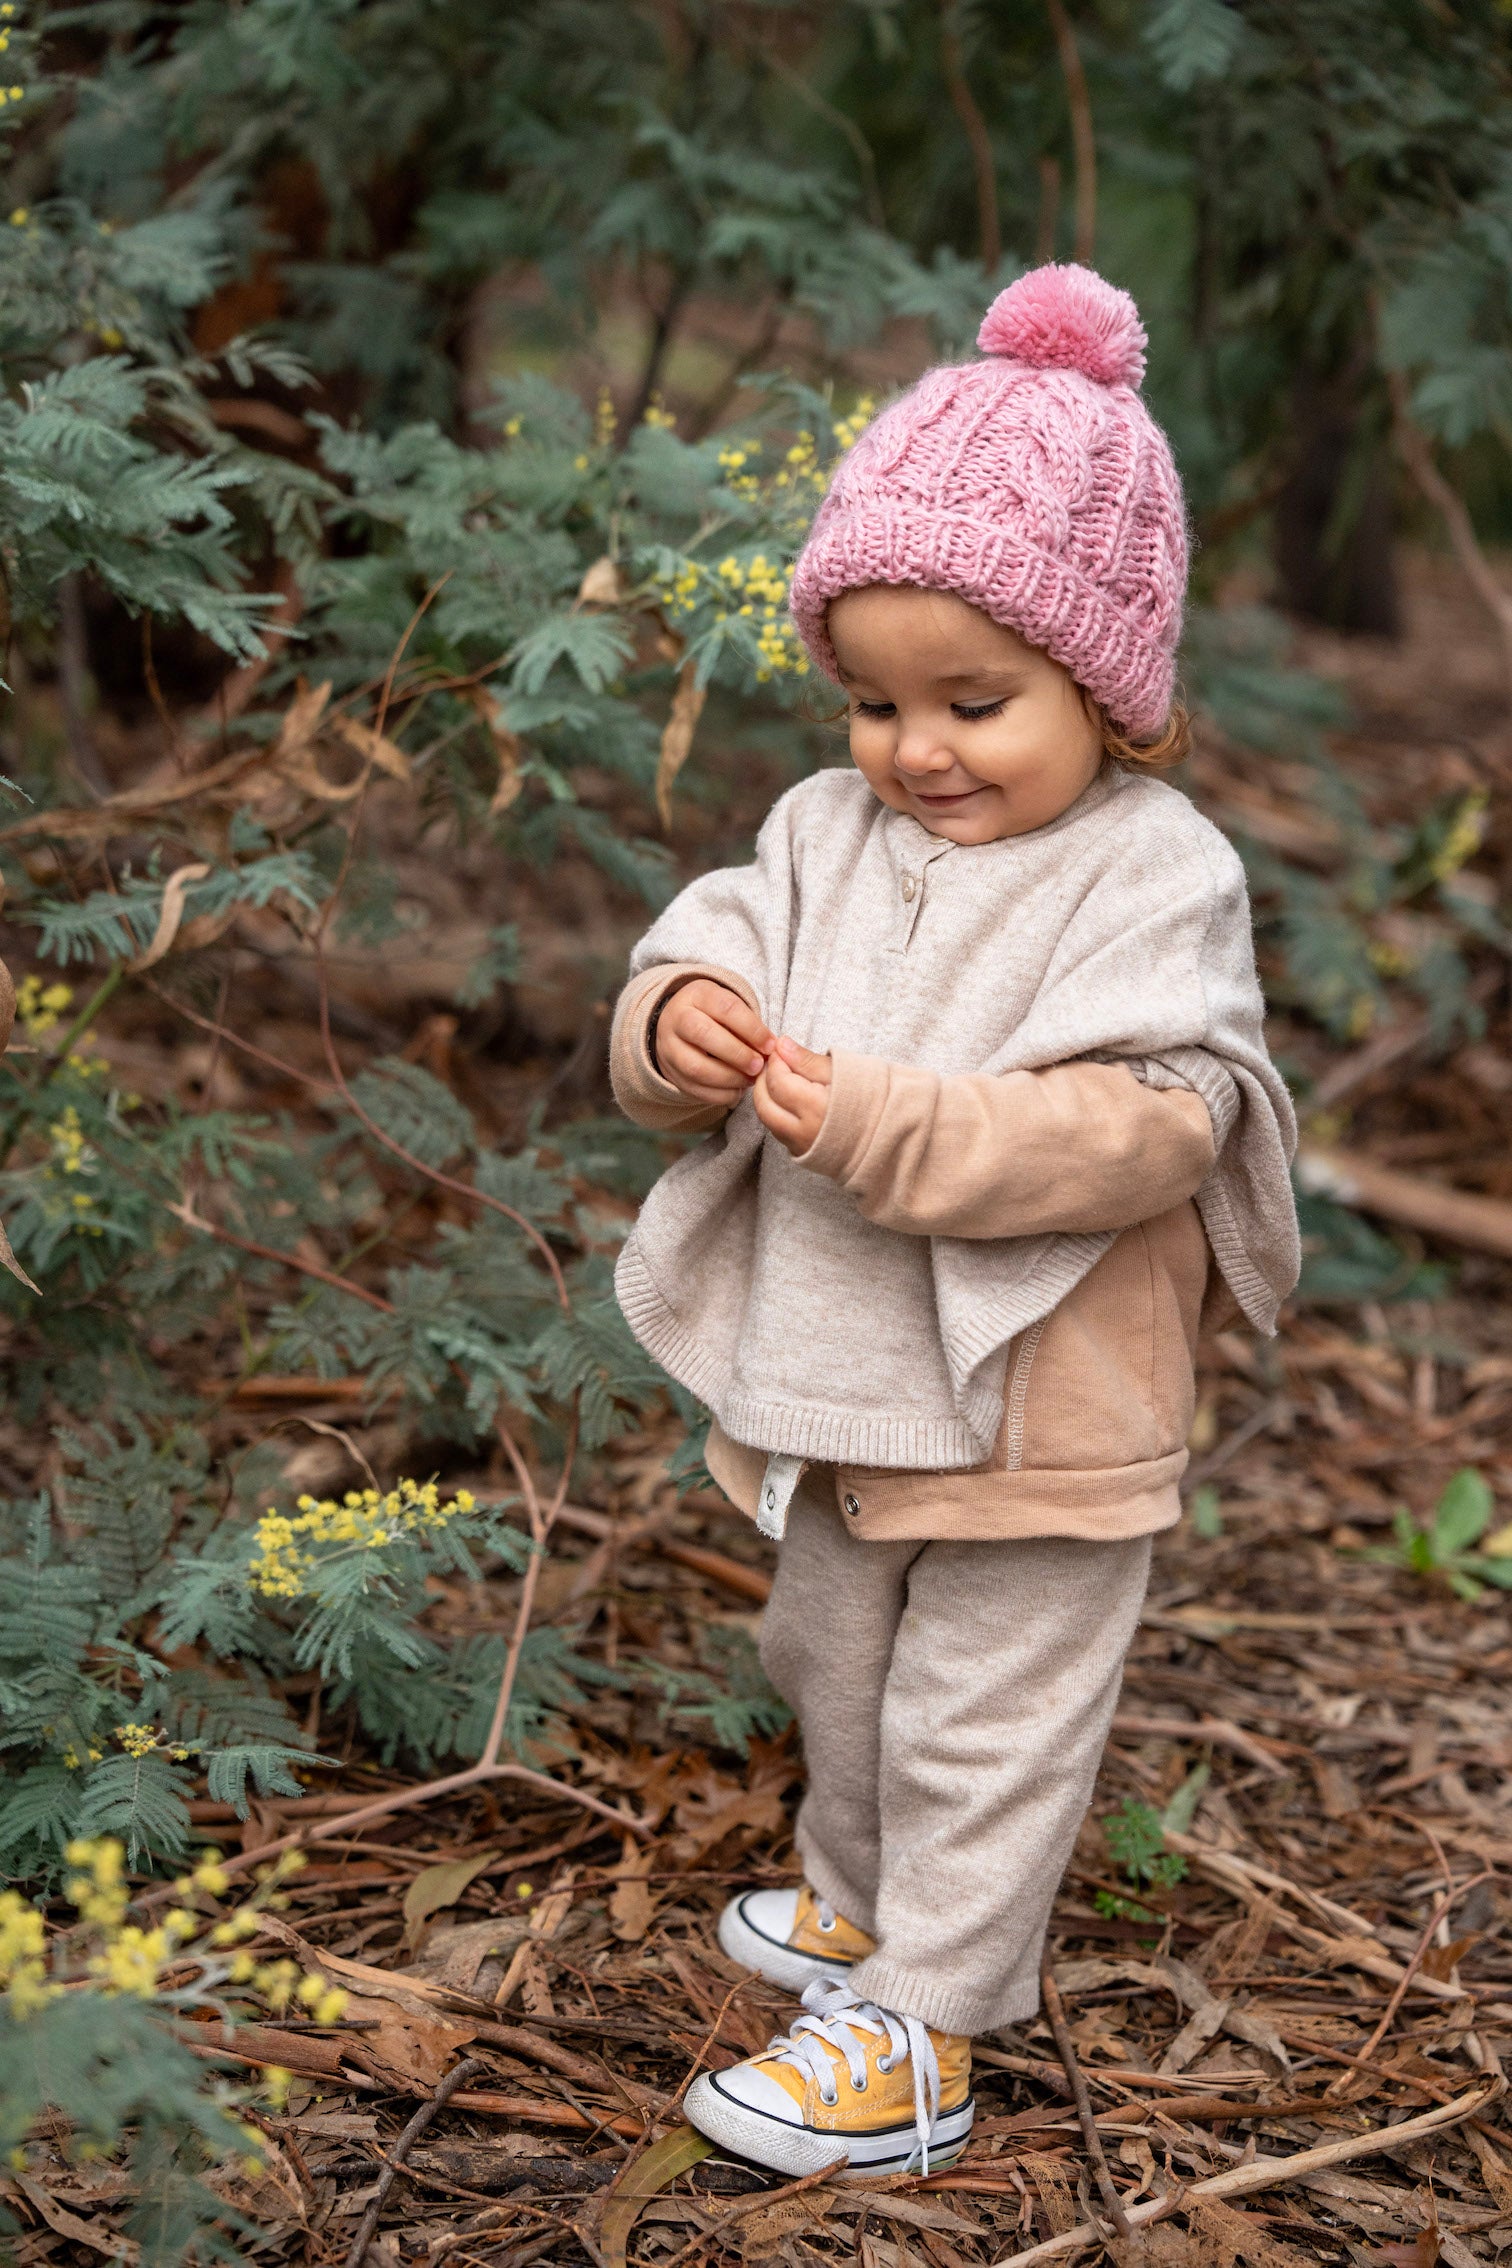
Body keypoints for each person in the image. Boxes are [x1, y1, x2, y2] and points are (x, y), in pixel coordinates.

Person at [609, 263, 1299, 2179]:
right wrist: (679, 1027)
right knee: (832, 1655)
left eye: (975, 701)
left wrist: (903, 1127)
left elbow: (1156, 1122)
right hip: (848, 1368)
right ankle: (856, 1900)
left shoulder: (1154, 869)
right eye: (873, 699)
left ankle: (927, 2027)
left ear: (1106, 685)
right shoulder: (826, 834)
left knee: (986, 1715)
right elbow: (704, 942)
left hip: (1047, 1401)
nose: (917, 747)